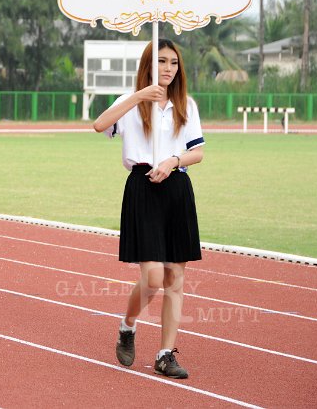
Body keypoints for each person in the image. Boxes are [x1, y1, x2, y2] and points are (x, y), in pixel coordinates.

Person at [93, 39, 204, 380]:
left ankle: (165, 354)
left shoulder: (186, 104)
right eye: (161, 62)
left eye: (173, 63)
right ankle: (127, 326)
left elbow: (197, 153)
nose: (168, 68)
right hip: (143, 187)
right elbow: (99, 125)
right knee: (153, 276)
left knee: (175, 276)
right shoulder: (130, 103)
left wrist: (173, 161)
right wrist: (139, 97)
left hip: (176, 187)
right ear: (147, 66)